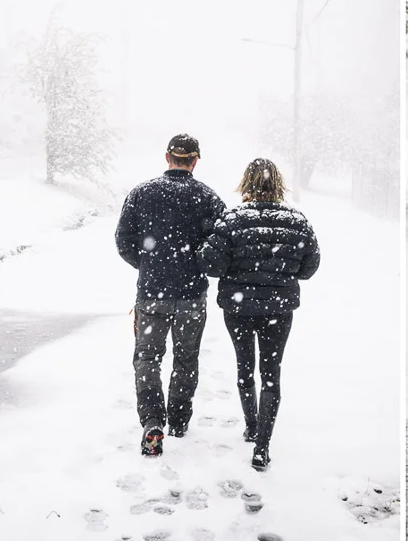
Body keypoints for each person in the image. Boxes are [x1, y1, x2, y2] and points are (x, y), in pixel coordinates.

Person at [197, 158, 320, 471]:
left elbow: (211, 264)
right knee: (271, 373)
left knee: (244, 366)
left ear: (246, 184)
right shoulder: (296, 220)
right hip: (278, 309)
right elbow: (309, 267)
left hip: (238, 308)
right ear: (278, 184)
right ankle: (263, 446)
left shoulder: (232, 220)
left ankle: (252, 424)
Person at [115, 134, 226, 456]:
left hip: (151, 293)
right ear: (194, 161)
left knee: (147, 358)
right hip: (191, 295)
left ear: (167, 158)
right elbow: (220, 248)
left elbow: (123, 241)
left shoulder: (142, 193)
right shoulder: (208, 198)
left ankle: (152, 420)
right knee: (186, 358)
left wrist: (149, 264)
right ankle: (179, 420)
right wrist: (195, 267)